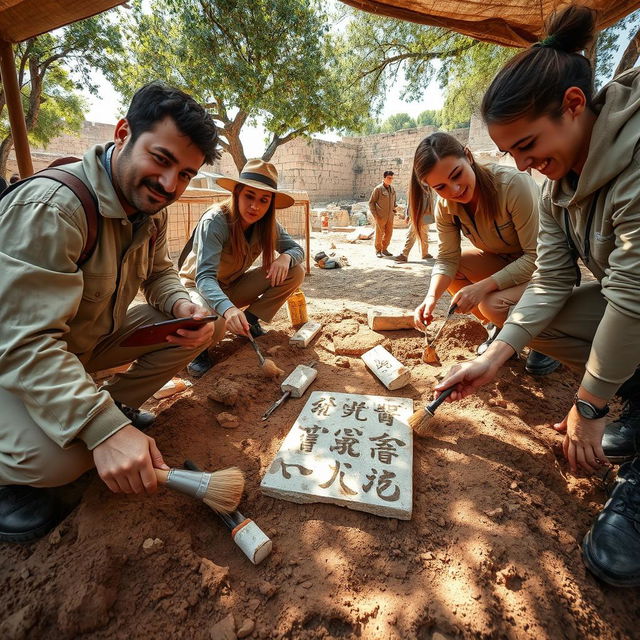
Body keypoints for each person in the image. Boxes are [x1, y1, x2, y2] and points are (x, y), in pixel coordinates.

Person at [434, 6, 640, 587]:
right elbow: (550, 280)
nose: (524, 164)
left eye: (527, 144)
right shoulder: (558, 185)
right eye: (512, 154)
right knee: (526, 320)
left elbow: (632, 296)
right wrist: (492, 357)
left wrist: (591, 403)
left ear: (575, 104)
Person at [0, 82, 219, 542]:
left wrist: (184, 305)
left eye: (185, 175)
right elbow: (25, 342)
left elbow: (159, 275)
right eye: (161, 160)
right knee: (65, 459)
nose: (169, 185)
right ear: (123, 133)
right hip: (18, 358)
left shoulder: (150, 210)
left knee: (193, 331)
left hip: (82, 346)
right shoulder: (55, 209)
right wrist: (101, 429)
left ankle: (106, 408)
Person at [411, 132, 559, 373]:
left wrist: (483, 287)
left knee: (491, 303)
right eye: (441, 187)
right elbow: (447, 258)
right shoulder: (445, 206)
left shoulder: (513, 185)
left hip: (547, 271)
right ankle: (500, 328)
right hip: (508, 265)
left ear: (468, 157)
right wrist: (431, 298)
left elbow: (537, 257)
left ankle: (546, 341)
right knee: (459, 268)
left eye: (456, 175)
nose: (455, 189)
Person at [179, 159, 305, 377]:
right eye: (249, 196)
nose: (255, 206)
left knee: (295, 271)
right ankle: (199, 353)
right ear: (237, 193)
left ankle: (250, 320)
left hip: (231, 285)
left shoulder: (268, 225)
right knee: (213, 324)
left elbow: (297, 249)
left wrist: (285, 257)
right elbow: (204, 278)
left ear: (270, 204)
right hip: (198, 287)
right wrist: (228, 309)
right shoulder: (216, 221)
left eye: (263, 200)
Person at [369, 170, 397, 258]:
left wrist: (394, 209)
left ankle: (385, 249)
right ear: (384, 178)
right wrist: (375, 216)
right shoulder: (378, 189)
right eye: (389, 178)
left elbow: (394, 201)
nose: (390, 180)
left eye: (392, 178)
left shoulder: (392, 189)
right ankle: (378, 250)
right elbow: (371, 202)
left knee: (389, 233)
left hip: (390, 217)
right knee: (379, 234)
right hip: (380, 216)